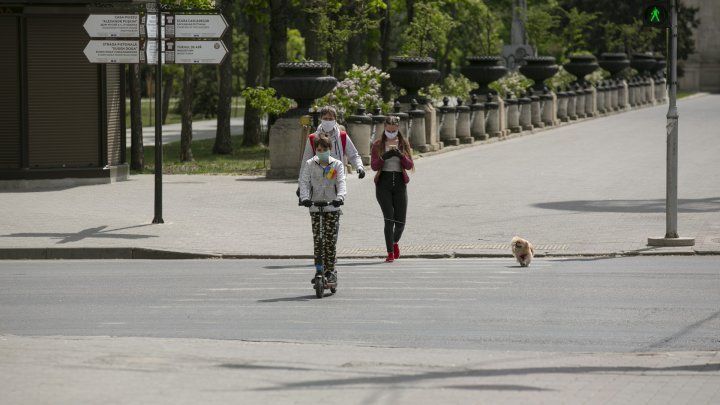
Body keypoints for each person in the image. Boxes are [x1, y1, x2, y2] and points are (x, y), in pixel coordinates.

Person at [298, 135, 346, 283]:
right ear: (315, 150)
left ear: (329, 149)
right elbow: (304, 182)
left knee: (329, 240)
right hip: (315, 207)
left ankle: (330, 270)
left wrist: (340, 197)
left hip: (332, 206)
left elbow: (341, 182)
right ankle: (319, 269)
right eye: (319, 149)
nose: (322, 152)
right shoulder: (310, 164)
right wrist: (304, 198)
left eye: (325, 149)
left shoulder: (337, 164)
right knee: (318, 240)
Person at [370, 115, 414, 263]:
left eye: (394, 130)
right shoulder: (377, 144)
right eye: (388, 130)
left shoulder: (403, 143)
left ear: (398, 128)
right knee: (389, 220)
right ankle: (390, 252)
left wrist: (400, 155)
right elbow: (374, 166)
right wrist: (385, 156)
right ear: (384, 128)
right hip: (383, 184)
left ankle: (394, 242)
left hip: (400, 183)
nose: (391, 133)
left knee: (400, 222)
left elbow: (409, 165)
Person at [299, 105, 365, 179]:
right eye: (325, 118)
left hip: (338, 180)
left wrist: (359, 167)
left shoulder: (342, 136)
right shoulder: (313, 138)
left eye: (330, 119)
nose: (328, 121)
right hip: (318, 182)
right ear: (321, 119)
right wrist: (301, 183)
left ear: (335, 120)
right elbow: (306, 161)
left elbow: (353, 155)